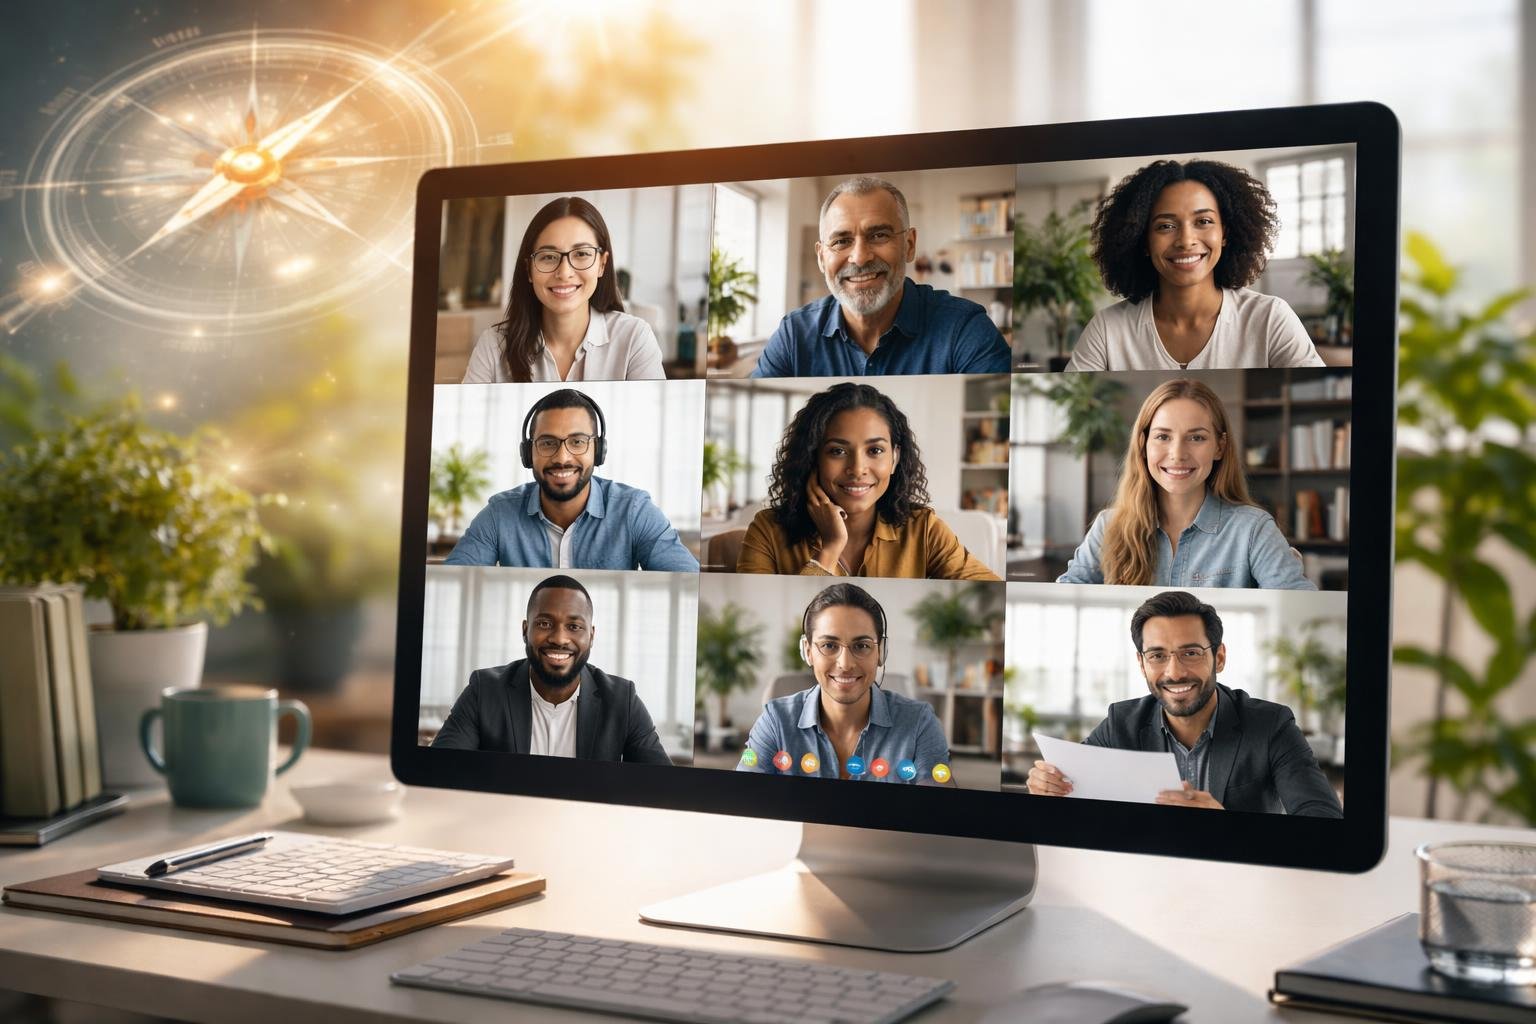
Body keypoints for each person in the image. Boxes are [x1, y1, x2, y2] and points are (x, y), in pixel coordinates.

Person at [1026, 591, 1341, 816]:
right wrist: (1047, 786)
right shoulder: (1121, 721)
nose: (1174, 672)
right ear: (1141, 663)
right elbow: (1075, 790)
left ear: (1218, 657)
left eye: (1190, 653)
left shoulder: (1270, 724)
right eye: (1158, 655)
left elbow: (1323, 815)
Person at [1066, 159, 1326, 371]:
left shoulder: (1270, 319)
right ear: (1142, 241)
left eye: (1203, 221)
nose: (1186, 241)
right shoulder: (1108, 329)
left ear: (1225, 233)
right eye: (1165, 226)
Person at [1058, 378, 1315, 590]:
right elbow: (1066, 600)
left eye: (1196, 437)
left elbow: (1301, 613)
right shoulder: (1108, 527)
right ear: (1143, 445)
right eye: (1162, 436)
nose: (1178, 453)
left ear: (1219, 447)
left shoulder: (1253, 530)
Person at [735, 382, 1000, 580]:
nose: (858, 469)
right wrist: (829, 549)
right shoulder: (767, 530)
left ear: (895, 458)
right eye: (837, 451)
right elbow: (763, 623)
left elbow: (989, 596)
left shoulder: (924, 530)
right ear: (812, 458)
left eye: (875, 451)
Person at [751, 177, 1010, 377]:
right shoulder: (794, 335)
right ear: (821, 257)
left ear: (909, 245)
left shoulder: (963, 329)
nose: (860, 257)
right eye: (841, 241)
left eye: (879, 235)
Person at [445, 389, 698, 571]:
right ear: (527, 453)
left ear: (598, 450)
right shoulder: (499, 513)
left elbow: (686, 583)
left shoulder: (634, 510)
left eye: (577, 442)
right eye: (547, 443)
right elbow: (452, 585)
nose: (562, 457)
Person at [431, 575, 673, 762]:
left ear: (592, 635)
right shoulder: (484, 690)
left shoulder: (623, 700)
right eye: (545, 623)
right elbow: (439, 772)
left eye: (574, 626)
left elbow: (663, 787)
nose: (559, 638)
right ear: (525, 630)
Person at [738, 583, 952, 784]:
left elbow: (939, 812)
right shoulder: (775, 721)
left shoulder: (919, 724)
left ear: (881, 651)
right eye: (829, 645)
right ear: (808, 651)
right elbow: (741, 802)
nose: (845, 664)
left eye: (862, 646)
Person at [462, 196, 665, 383]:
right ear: (529, 270)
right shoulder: (493, 345)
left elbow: (652, 422)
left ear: (602, 264)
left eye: (582, 254)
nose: (565, 272)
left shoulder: (634, 339)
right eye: (549, 256)